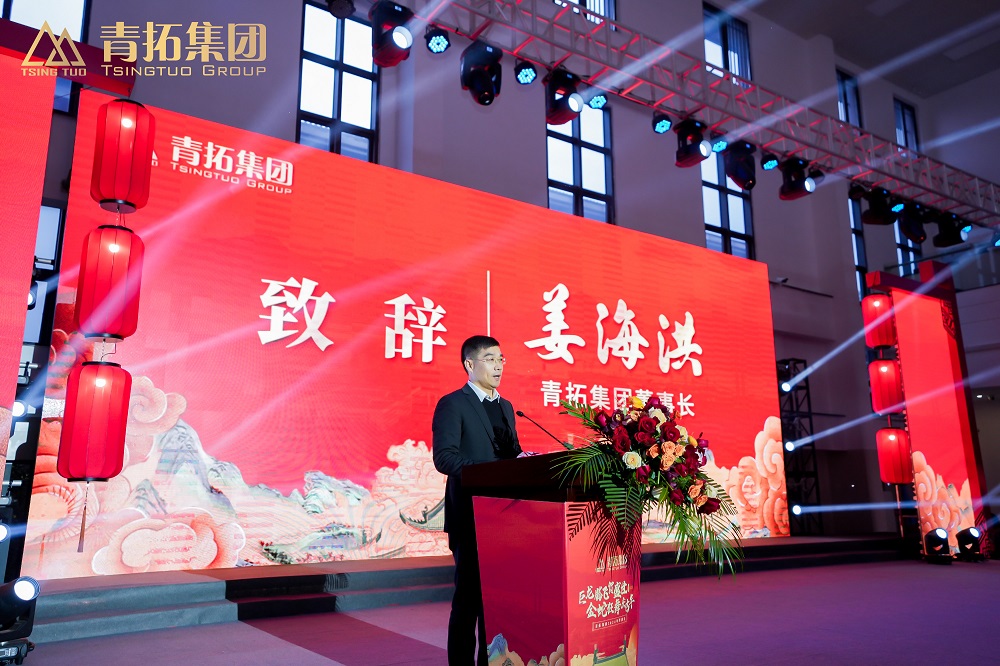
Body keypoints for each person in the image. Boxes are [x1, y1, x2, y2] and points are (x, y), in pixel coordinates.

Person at [432, 335, 521, 666]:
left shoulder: (506, 407)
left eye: (501, 359)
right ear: (470, 364)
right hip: (470, 516)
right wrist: (490, 472)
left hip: (505, 519)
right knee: (468, 602)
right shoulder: (453, 404)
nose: (498, 366)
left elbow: (511, 457)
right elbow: (445, 458)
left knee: (495, 603)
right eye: (490, 359)